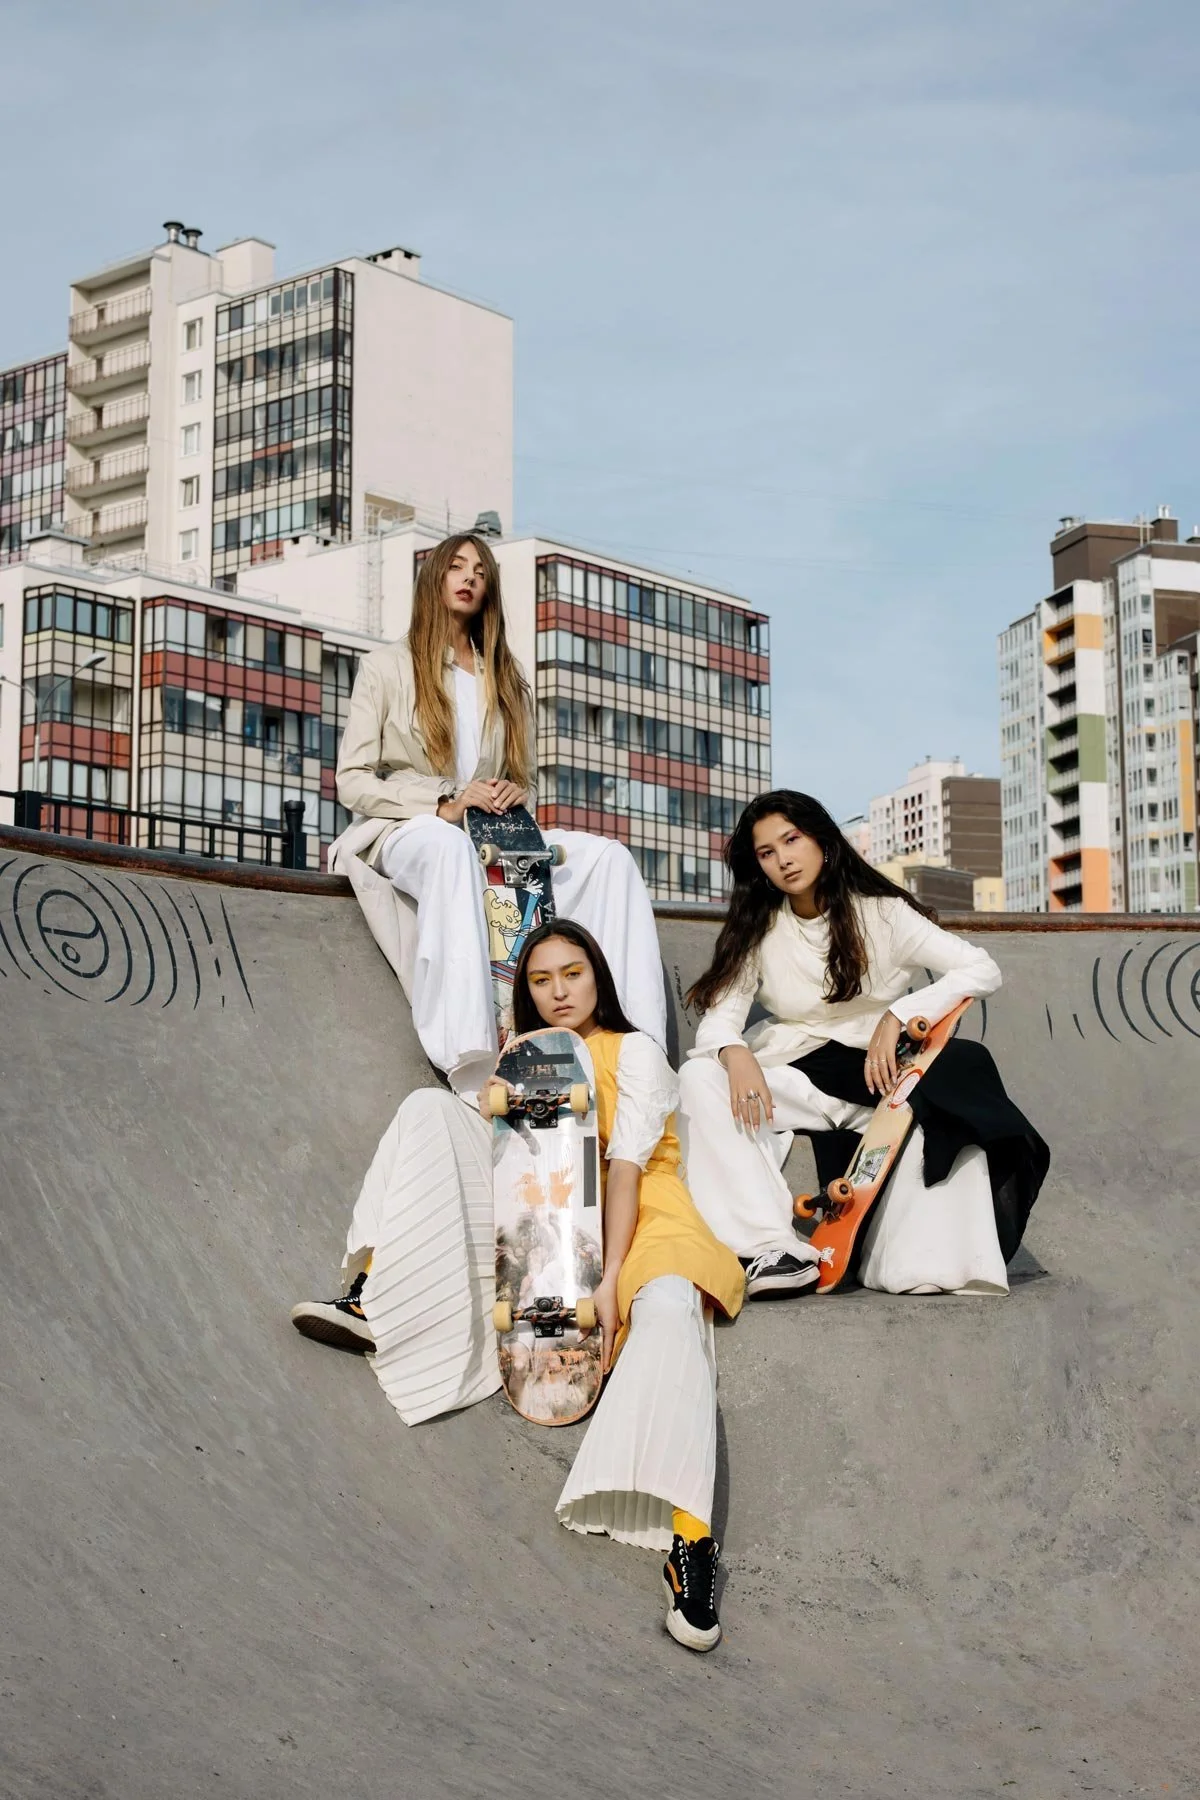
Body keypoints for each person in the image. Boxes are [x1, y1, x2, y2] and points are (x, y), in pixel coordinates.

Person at [293, 920, 744, 1654]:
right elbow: (514, 1165)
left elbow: (626, 1169)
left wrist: (607, 1282)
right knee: (426, 1108)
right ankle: (372, 1294)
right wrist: (493, 1106)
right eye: (541, 980)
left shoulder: (636, 1052)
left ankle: (690, 1547)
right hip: (547, 1212)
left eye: (573, 973)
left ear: (598, 976)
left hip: (642, 1210)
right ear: (526, 992)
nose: (560, 991)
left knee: (665, 1309)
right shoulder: (524, 1059)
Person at [328, 532, 665, 1096]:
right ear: (434, 578)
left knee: (609, 858)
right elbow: (352, 781)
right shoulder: (385, 667)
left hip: (495, 832)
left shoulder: (504, 678)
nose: (469, 578)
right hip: (407, 828)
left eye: (481, 572)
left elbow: (522, 778)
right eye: (457, 567)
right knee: (449, 847)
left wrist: (511, 792)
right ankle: (474, 1058)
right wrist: (443, 804)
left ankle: (635, 1047)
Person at [677, 791, 1049, 1298]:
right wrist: (735, 1053)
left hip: (878, 1085)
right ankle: (772, 1248)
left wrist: (899, 1014)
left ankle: (910, 1258)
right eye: (766, 852)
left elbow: (980, 968)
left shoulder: (885, 914)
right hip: (794, 1076)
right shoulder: (759, 929)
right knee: (698, 1075)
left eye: (792, 840)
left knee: (952, 1092)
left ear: (822, 842)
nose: (783, 858)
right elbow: (720, 1022)